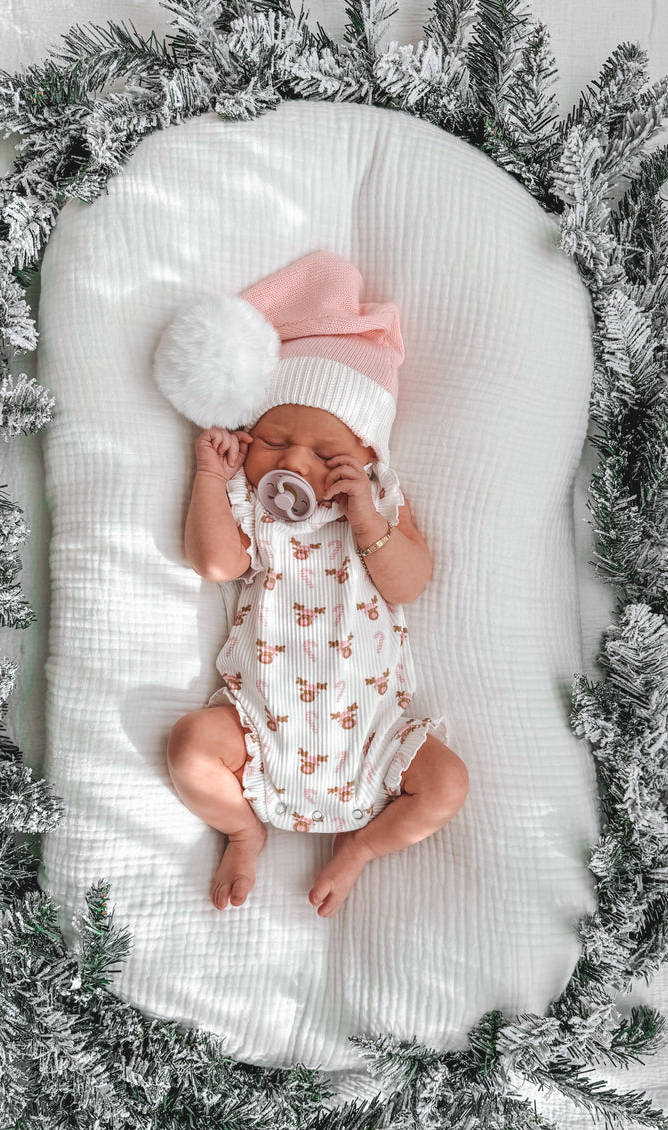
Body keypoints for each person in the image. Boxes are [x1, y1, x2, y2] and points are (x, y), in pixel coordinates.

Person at [154, 251, 468, 918]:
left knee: (446, 785)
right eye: (273, 441)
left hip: (374, 741)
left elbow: (409, 584)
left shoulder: (380, 504)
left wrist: (368, 524)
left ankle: (359, 850)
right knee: (189, 748)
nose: (294, 460)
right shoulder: (256, 510)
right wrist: (212, 479)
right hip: (259, 731)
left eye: (326, 456)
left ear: (366, 459)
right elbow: (216, 564)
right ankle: (243, 830)